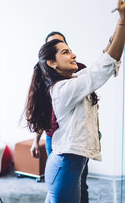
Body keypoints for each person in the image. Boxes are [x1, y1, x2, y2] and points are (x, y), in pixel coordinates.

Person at [25, 0, 125, 203]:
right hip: (64, 165)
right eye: (65, 52)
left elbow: (103, 59)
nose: (73, 54)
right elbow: (104, 67)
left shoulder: (73, 80)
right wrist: (123, 22)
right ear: (52, 63)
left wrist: (118, 27)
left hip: (66, 164)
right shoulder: (62, 89)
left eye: (71, 50)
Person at [30, 31, 92, 203]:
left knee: (80, 183)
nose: (70, 54)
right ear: (50, 58)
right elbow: (41, 112)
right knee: (59, 182)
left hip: (75, 138)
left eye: (63, 45)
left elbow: (89, 107)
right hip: (53, 137)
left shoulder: (78, 70)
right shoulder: (42, 76)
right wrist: (36, 139)